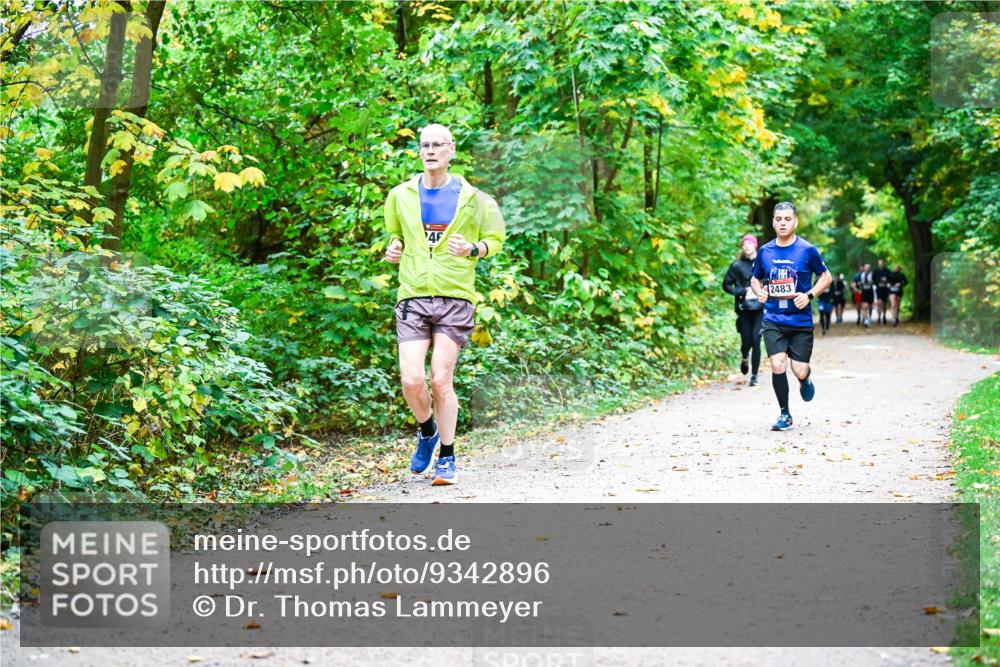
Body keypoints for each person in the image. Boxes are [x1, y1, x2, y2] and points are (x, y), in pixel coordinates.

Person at [383, 123, 506, 486]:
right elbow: (396, 234)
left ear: (451, 150)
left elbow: (495, 239)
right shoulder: (400, 195)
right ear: (419, 151)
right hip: (413, 295)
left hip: (454, 296)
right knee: (411, 380)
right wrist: (394, 247)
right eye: (425, 145)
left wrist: (473, 249)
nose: (431, 150)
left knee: (440, 378)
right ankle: (427, 431)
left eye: (438, 145)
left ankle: (448, 458)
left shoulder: (476, 198)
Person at [750, 202, 833, 431]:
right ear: (773, 222)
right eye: (779, 219)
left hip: (800, 321)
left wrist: (809, 295)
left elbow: (826, 277)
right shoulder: (765, 251)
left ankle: (805, 379)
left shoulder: (807, 250)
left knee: (799, 369)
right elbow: (755, 278)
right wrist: (760, 292)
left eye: (788, 219)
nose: (783, 223)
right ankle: (785, 414)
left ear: (795, 221)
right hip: (774, 319)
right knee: (777, 364)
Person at [723, 234, 764, 386]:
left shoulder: (763, 263)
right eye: (744, 244)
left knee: (756, 339)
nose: (746, 246)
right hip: (744, 309)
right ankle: (745, 356)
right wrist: (739, 291)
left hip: (760, 308)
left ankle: (754, 376)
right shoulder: (736, 266)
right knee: (746, 341)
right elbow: (726, 285)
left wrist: (764, 290)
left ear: (755, 245)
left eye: (749, 243)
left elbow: (771, 281)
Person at [873, 259, 891, 325]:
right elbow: (873, 279)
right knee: (879, 303)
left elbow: (890, 279)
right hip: (878, 289)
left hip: (885, 289)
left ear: (883, 264)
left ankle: (884, 316)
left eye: (881, 263)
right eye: (879, 263)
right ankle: (878, 317)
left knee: (884, 303)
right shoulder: (876, 271)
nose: (880, 264)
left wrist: (887, 281)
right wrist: (877, 283)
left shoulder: (887, 271)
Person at [859, 263, 875, 327]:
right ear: (864, 268)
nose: (867, 268)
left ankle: (870, 317)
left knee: (870, 306)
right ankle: (866, 319)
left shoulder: (872, 274)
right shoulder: (861, 275)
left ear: (870, 268)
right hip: (864, 291)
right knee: (865, 306)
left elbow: (875, 281)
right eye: (866, 267)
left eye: (868, 267)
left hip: (870, 291)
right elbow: (858, 283)